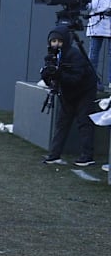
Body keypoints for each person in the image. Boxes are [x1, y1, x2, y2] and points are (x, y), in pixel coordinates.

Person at [41, 26, 97, 167]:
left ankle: (87, 156)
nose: (56, 44)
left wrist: (59, 74)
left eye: (59, 41)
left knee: (84, 123)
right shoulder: (52, 56)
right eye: (53, 41)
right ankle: (54, 155)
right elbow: (51, 80)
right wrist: (47, 74)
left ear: (65, 41)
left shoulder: (75, 55)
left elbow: (76, 79)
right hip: (68, 92)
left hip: (84, 91)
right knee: (62, 123)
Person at [86, 0, 111, 92]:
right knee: (93, 54)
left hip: (109, 21)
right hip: (96, 21)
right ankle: (92, 80)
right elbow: (90, 1)